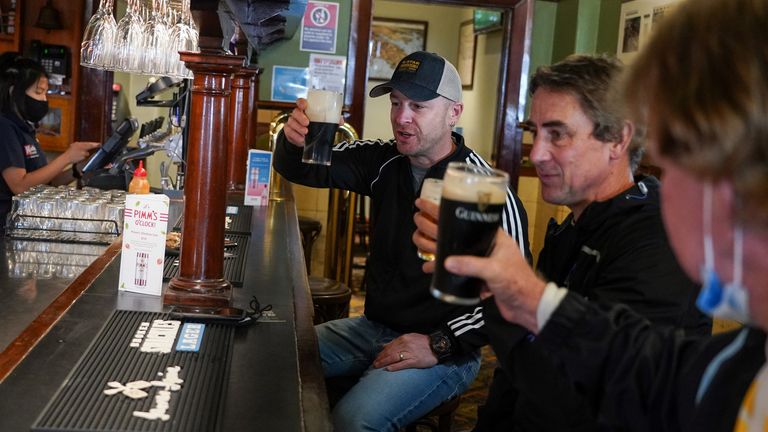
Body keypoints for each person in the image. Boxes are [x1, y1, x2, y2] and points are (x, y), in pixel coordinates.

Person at [419, 0, 768, 430]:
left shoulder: (651, 238)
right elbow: (628, 364)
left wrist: (512, 292)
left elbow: (587, 400)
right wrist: (508, 287)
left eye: (684, 158)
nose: (538, 153)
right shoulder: (743, 359)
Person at [273, 51, 530, 431]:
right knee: (271, 361)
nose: (401, 117)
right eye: (396, 103)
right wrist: (293, 141)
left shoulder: (483, 189)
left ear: (454, 113)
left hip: (447, 349)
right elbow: (301, 167)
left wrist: (439, 344)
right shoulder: (383, 160)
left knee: (352, 421)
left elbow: (514, 302)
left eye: (418, 106)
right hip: (371, 328)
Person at [0, 54, 99, 229]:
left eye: (46, 93)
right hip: (6, 227)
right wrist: (67, 156)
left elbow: (42, 182)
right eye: (39, 92)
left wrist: (78, 169)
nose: (44, 100)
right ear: (13, 91)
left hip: (25, 224)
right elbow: (20, 186)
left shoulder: (25, 129)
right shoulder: (5, 127)